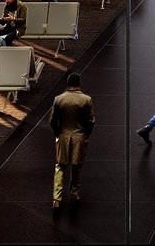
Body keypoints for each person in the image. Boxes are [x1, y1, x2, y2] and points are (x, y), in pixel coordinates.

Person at [50, 72, 94, 208]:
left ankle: (56, 199)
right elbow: (90, 121)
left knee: (60, 167)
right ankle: (74, 194)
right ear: (79, 83)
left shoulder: (58, 99)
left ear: (68, 83)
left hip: (63, 136)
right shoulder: (86, 100)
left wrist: (58, 133)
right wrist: (86, 135)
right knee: (77, 167)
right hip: (79, 137)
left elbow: (52, 121)